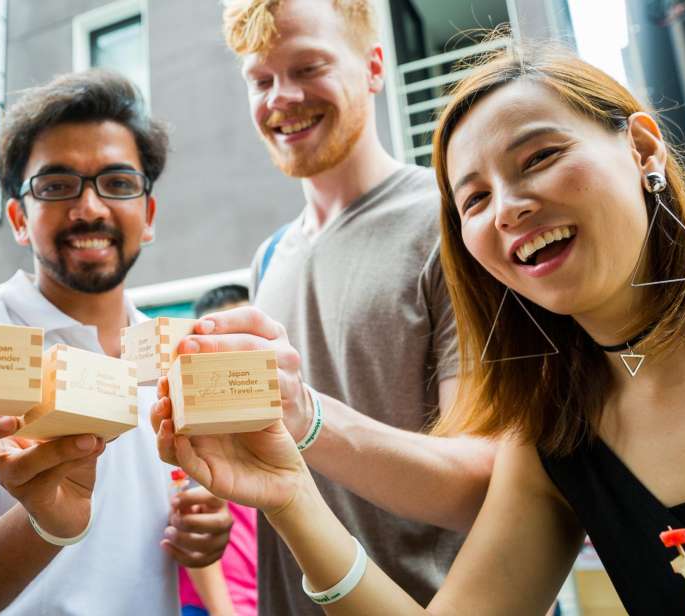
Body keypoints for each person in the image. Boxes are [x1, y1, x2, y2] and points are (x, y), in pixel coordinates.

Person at [155, 43, 685, 616]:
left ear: (642, 148)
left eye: (540, 156)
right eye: (474, 200)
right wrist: (291, 494)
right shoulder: (552, 431)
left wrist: (310, 418)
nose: (508, 207)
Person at [0, 70, 233, 615]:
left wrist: (203, 532)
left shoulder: (172, 354)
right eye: (57, 185)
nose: (90, 208)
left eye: (117, 183)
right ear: (18, 218)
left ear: (149, 215)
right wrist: (44, 521)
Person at [218, 1, 494, 611]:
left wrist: (307, 416)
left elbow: (484, 482)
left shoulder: (451, 223)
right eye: (260, 81)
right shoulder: (268, 259)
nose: (280, 98)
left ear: (373, 66)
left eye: (308, 67)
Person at [180, 283, 258, 616]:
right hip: (219, 607)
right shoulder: (200, 420)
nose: (236, 348)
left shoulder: (266, 417)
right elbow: (195, 520)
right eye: (223, 338)